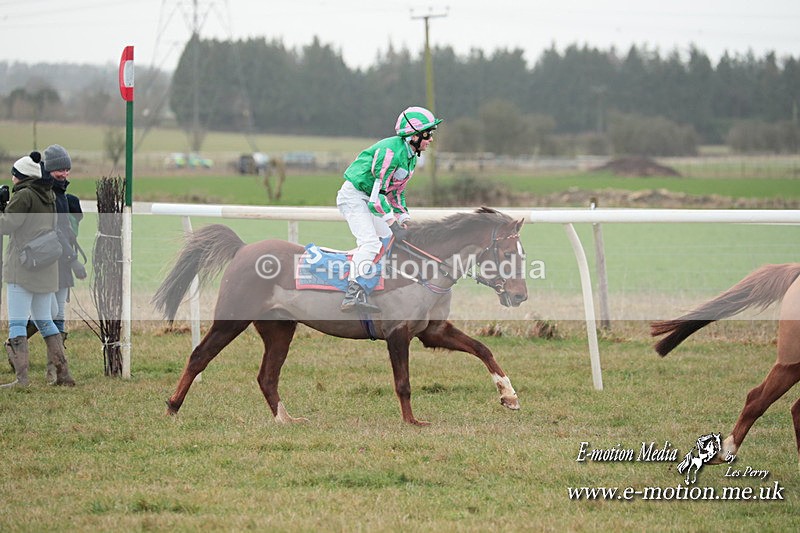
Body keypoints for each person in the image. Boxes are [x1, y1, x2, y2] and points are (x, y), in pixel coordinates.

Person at [336, 106, 442, 313]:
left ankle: (376, 287)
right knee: (371, 243)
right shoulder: (390, 153)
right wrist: (392, 223)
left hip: (372, 198)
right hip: (355, 196)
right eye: (427, 134)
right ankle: (352, 292)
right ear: (413, 135)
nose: (430, 139)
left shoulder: (411, 157)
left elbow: (396, 194)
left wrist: (404, 219)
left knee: (389, 241)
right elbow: (377, 198)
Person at [0, 151, 74, 388]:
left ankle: (21, 380)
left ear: (21, 176)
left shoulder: (24, 196)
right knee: (45, 320)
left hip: (23, 268)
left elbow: (7, 226)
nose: (12, 180)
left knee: (17, 323)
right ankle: (63, 374)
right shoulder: (49, 194)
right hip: (46, 266)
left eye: (14, 176)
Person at [26, 144, 84, 383]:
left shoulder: (64, 197)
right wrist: (73, 260)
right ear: (48, 170)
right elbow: (57, 232)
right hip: (48, 262)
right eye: (60, 169)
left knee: (58, 313)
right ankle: (15, 343)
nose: (65, 174)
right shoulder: (47, 196)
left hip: (63, 261)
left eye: (67, 169)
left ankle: (56, 371)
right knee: (48, 313)